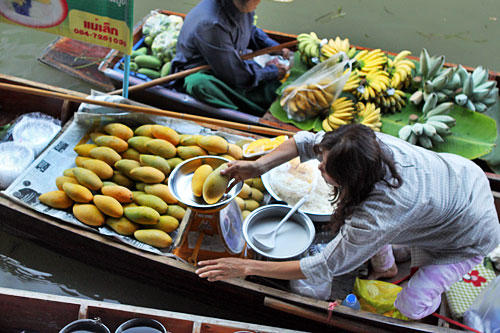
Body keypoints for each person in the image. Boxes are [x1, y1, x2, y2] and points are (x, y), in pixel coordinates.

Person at [195, 124, 500, 320]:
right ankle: (388, 267)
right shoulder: (363, 146)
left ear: (348, 178)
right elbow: (305, 141)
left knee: (411, 305)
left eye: (324, 168)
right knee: (380, 241)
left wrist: (246, 267)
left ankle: (422, 298)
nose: (318, 166)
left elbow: (325, 265)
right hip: (460, 179)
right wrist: (256, 166)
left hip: (470, 236)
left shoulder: (379, 214)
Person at [169, 0, 291, 115]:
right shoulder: (212, 24)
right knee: (200, 84)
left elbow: (250, 31)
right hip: (210, 73)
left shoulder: (241, 7)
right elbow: (235, 75)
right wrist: (271, 72)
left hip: (231, 62)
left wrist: (273, 47)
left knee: (279, 86)